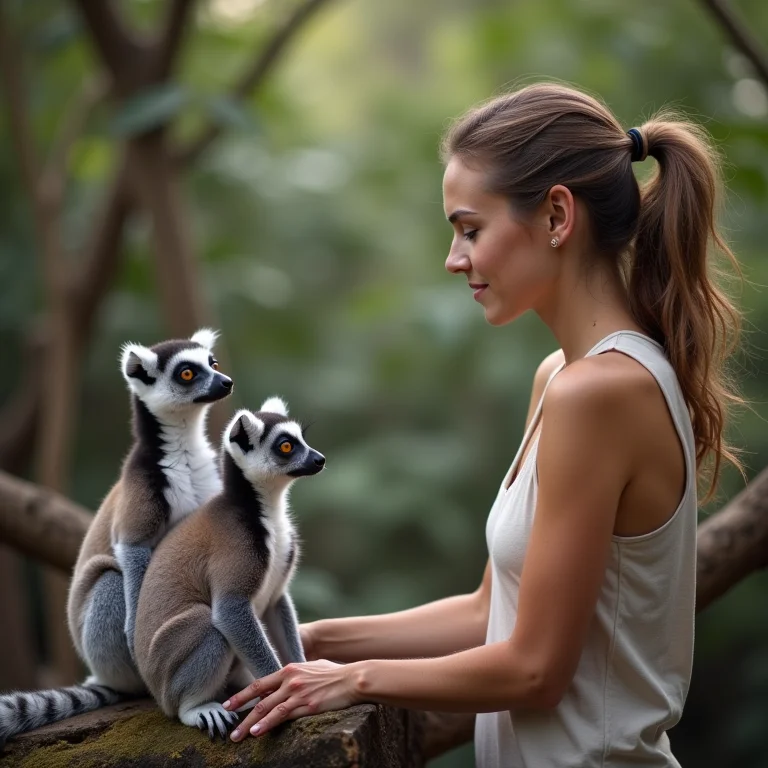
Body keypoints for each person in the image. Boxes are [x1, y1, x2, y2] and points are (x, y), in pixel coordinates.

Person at [223, 82, 743, 767]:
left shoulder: (601, 392)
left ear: (557, 216)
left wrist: (352, 680)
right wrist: (314, 641)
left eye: (471, 229)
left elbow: (535, 671)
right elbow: (486, 613)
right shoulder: (561, 377)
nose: (454, 258)